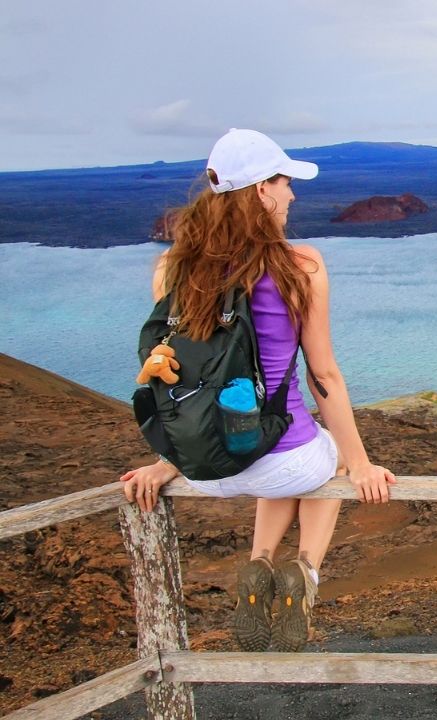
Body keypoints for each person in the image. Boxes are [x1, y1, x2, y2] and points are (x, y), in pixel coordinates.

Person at [120, 128, 396, 652]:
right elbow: (323, 376)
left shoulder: (170, 269)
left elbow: (178, 378)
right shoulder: (302, 265)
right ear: (261, 191)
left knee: (268, 453)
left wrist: (167, 461)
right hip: (283, 460)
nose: (292, 194)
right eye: (285, 182)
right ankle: (306, 572)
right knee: (322, 453)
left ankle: (260, 562)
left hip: (207, 472)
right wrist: (360, 464)